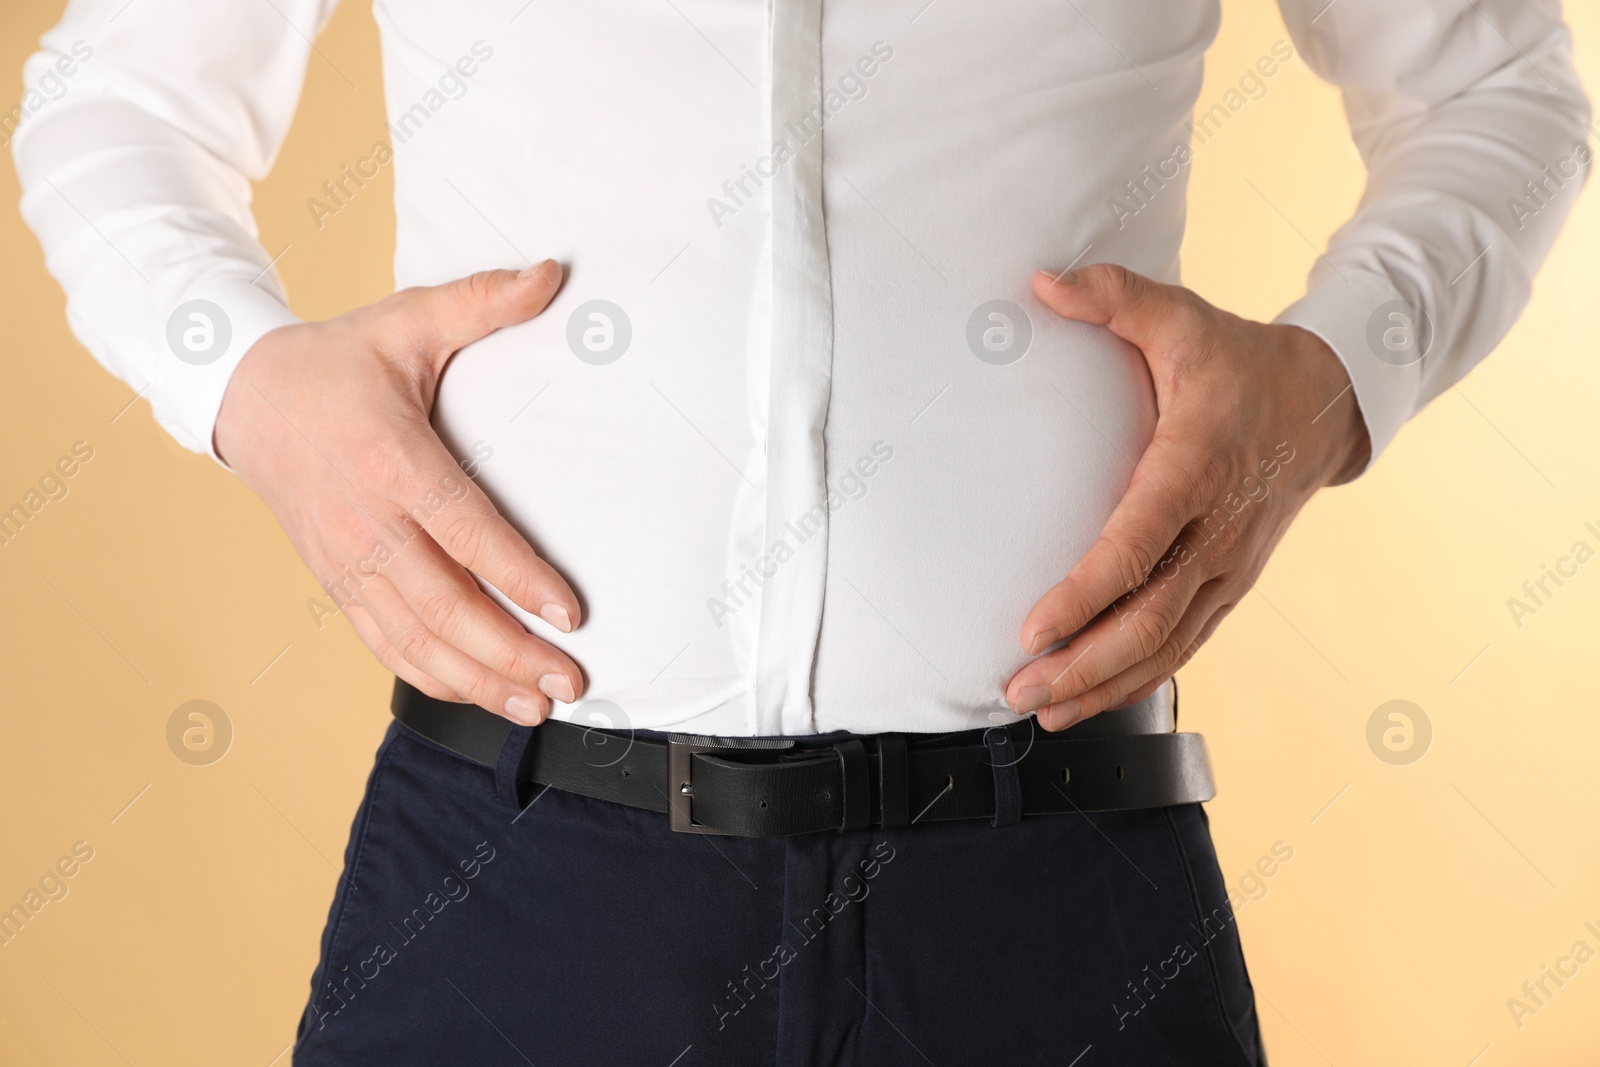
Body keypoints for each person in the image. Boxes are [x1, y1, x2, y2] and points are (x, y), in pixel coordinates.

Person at [13, 0, 1589, 1063]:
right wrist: (250, 383)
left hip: (1057, 883)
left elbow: (1500, 87)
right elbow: (115, 100)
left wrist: (1326, 387)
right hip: (517, 880)